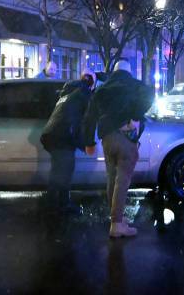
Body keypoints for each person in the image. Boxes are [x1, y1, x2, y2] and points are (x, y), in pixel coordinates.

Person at [82, 60, 154, 238]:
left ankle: (116, 218)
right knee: (123, 180)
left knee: (112, 178)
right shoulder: (135, 85)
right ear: (129, 71)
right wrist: (135, 116)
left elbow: (90, 117)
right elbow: (149, 95)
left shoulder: (102, 89)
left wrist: (89, 142)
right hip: (125, 138)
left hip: (106, 137)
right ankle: (116, 224)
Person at [40, 70, 97, 213]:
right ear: (91, 84)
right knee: (62, 171)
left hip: (52, 134)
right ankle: (54, 205)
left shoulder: (67, 92)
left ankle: (60, 202)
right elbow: (88, 121)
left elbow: (71, 119)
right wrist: (87, 145)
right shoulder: (84, 93)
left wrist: (81, 145)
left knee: (62, 169)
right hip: (62, 136)